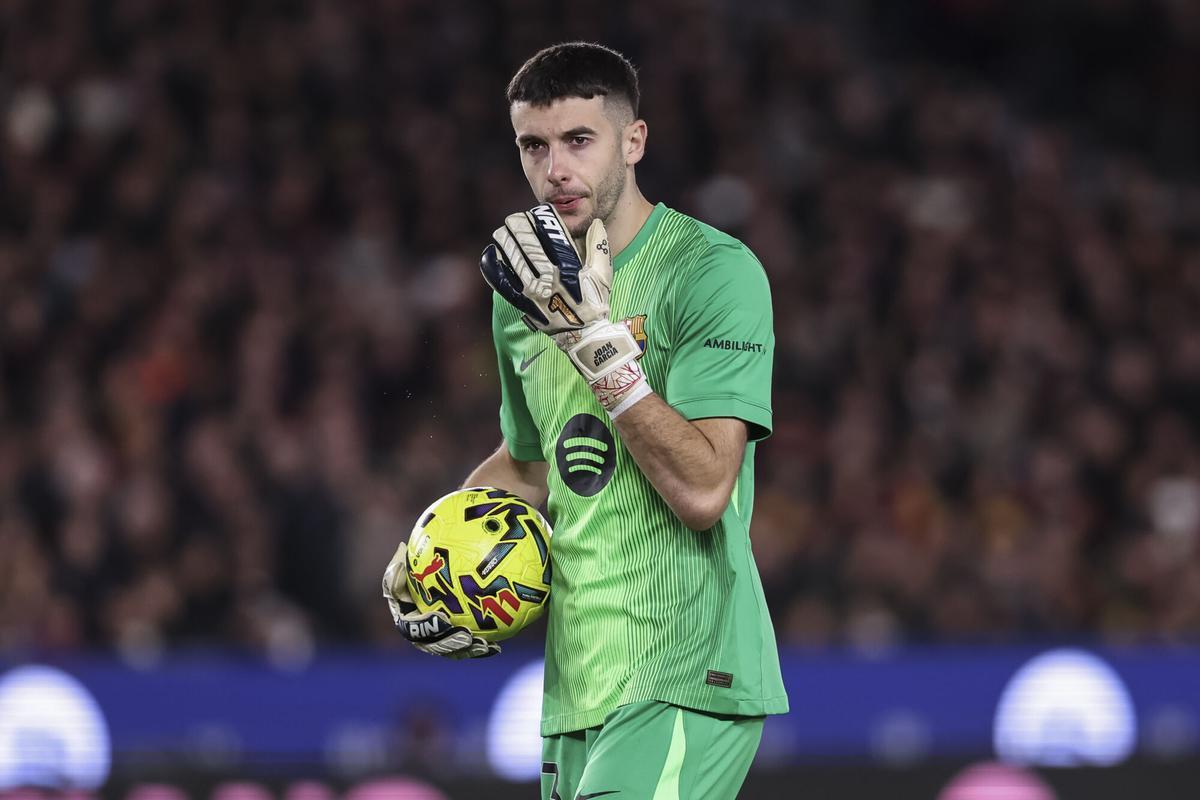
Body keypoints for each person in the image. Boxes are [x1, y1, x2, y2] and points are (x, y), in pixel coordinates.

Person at [383, 41, 788, 799]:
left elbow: (705, 489)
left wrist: (597, 350)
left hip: (684, 668)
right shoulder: (521, 293)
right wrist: (431, 552)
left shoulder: (712, 271)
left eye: (578, 140)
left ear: (633, 141)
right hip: (577, 684)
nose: (555, 170)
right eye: (533, 146)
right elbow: (530, 463)